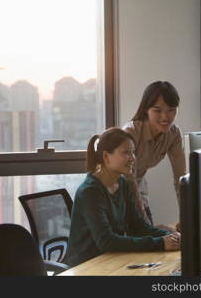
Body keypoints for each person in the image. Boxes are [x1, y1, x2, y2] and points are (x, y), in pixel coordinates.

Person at [65, 127, 180, 267]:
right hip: (85, 266)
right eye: (126, 153)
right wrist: (161, 243)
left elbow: (138, 226)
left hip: (110, 260)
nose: (133, 158)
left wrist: (171, 237)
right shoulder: (90, 192)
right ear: (106, 156)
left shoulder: (122, 183)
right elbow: (107, 241)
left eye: (133, 152)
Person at [123, 81, 186, 228]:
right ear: (146, 109)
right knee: (150, 242)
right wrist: (150, 229)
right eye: (157, 110)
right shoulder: (131, 132)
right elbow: (128, 181)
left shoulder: (174, 134)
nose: (165, 117)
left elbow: (181, 179)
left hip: (139, 191)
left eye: (171, 110)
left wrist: (186, 218)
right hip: (116, 196)